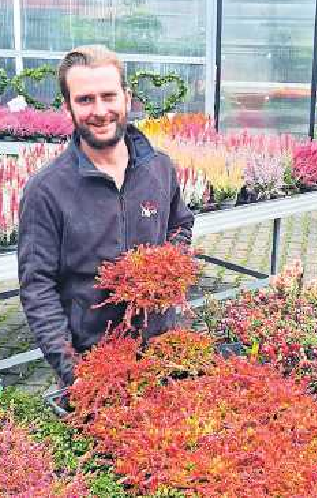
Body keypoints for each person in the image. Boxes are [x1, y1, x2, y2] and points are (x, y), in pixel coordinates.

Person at [18, 45, 195, 387]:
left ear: (126, 97)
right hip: (95, 368)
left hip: (162, 356)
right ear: (67, 106)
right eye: (85, 100)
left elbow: (181, 223)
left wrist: (168, 265)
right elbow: (38, 288)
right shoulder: (47, 191)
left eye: (109, 96)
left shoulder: (158, 168)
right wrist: (74, 375)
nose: (100, 111)